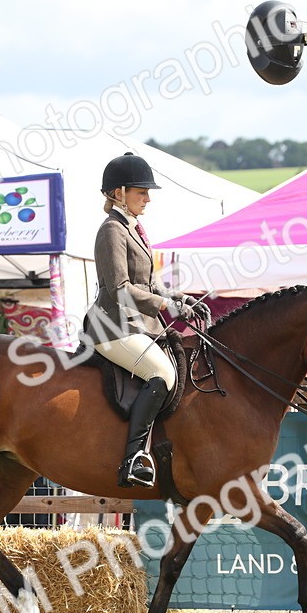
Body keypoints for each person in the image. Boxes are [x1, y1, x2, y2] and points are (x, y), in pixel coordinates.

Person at [84, 152, 205, 487]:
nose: (148, 199)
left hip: (138, 325)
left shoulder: (133, 228)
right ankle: (133, 458)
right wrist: (165, 304)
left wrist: (180, 298)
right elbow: (121, 289)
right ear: (118, 193)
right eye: (142, 192)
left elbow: (147, 282)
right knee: (162, 372)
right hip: (112, 326)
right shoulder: (112, 230)